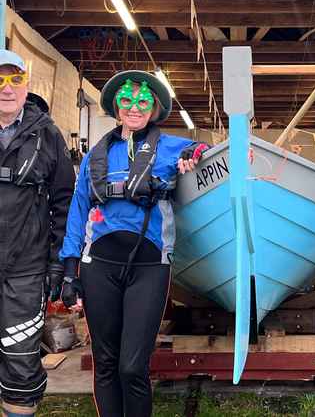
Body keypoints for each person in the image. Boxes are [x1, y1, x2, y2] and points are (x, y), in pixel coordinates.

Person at [59, 70, 208, 417]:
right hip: (99, 267)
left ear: (155, 108)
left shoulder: (171, 147)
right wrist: (69, 270)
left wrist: (197, 154)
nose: (135, 107)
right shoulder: (96, 155)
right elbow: (78, 210)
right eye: (127, 100)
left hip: (150, 266)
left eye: (143, 101)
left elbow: (206, 151)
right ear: (115, 107)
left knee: (132, 366)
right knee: (106, 363)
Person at [0, 50, 75, 417]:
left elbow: (65, 203)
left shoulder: (47, 135)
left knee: (21, 360)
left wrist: (60, 262)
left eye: (14, 78)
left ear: (26, 84)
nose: (6, 88)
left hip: (26, 270)